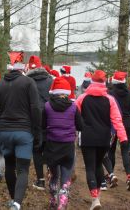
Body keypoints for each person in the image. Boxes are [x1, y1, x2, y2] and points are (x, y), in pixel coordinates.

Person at [0, 51, 41, 210]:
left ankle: (14, 200)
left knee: (10, 165)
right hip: (24, 132)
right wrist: (37, 133)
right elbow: (36, 109)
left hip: (4, 132)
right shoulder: (29, 83)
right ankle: (17, 203)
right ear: (23, 67)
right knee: (23, 169)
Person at [75, 70, 127, 210]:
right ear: (104, 83)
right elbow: (117, 120)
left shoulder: (82, 98)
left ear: (91, 82)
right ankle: (97, 198)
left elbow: (73, 115)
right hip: (104, 138)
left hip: (87, 137)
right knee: (98, 165)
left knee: (90, 167)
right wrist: (123, 138)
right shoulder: (110, 99)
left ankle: (95, 198)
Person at [43, 77, 83, 209]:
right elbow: (80, 126)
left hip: (52, 146)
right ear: (67, 92)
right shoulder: (73, 107)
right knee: (65, 177)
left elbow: (42, 125)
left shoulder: (47, 106)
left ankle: (53, 199)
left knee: (54, 175)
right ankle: (63, 201)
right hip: (67, 146)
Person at [107, 71, 130, 191]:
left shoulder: (110, 93)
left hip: (113, 124)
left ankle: (111, 175)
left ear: (114, 81)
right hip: (127, 124)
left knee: (111, 150)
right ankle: (129, 177)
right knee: (125, 151)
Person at [26, 55, 53, 191]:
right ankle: (50, 173)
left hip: (33, 118)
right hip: (49, 117)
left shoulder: (26, 81)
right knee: (48, 146)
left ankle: (40, 180)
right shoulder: (50, 80)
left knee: (36, 148)